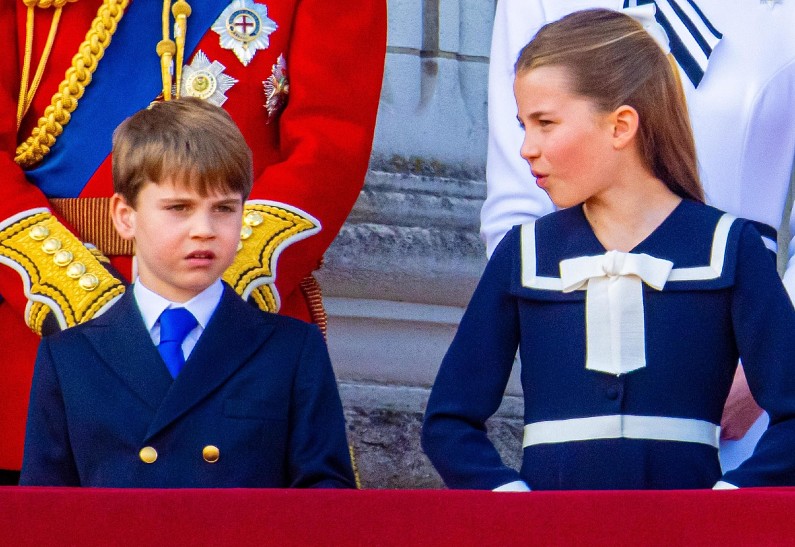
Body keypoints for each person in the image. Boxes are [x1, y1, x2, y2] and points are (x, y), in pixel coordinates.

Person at [0, 0, 385, 483]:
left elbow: (329, 147)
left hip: (235, 338)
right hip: (38, 338)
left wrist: (214, 299)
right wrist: (80, 296)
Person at [422, 9, 795, 490]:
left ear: (621, 126)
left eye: (545, 123)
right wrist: (510, 502)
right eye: (523, 126)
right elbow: (449, 422)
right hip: (553, 535)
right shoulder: (523, 254)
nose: (526, 149)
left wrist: (726, 504)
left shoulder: (730, 248)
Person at [19, 98, 355, 488]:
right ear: (125, 217)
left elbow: (325, 504)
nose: (204, 229)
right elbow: (44, 513)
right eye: (179, 208)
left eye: (224, 209)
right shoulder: (69, 358)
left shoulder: (292, 349)